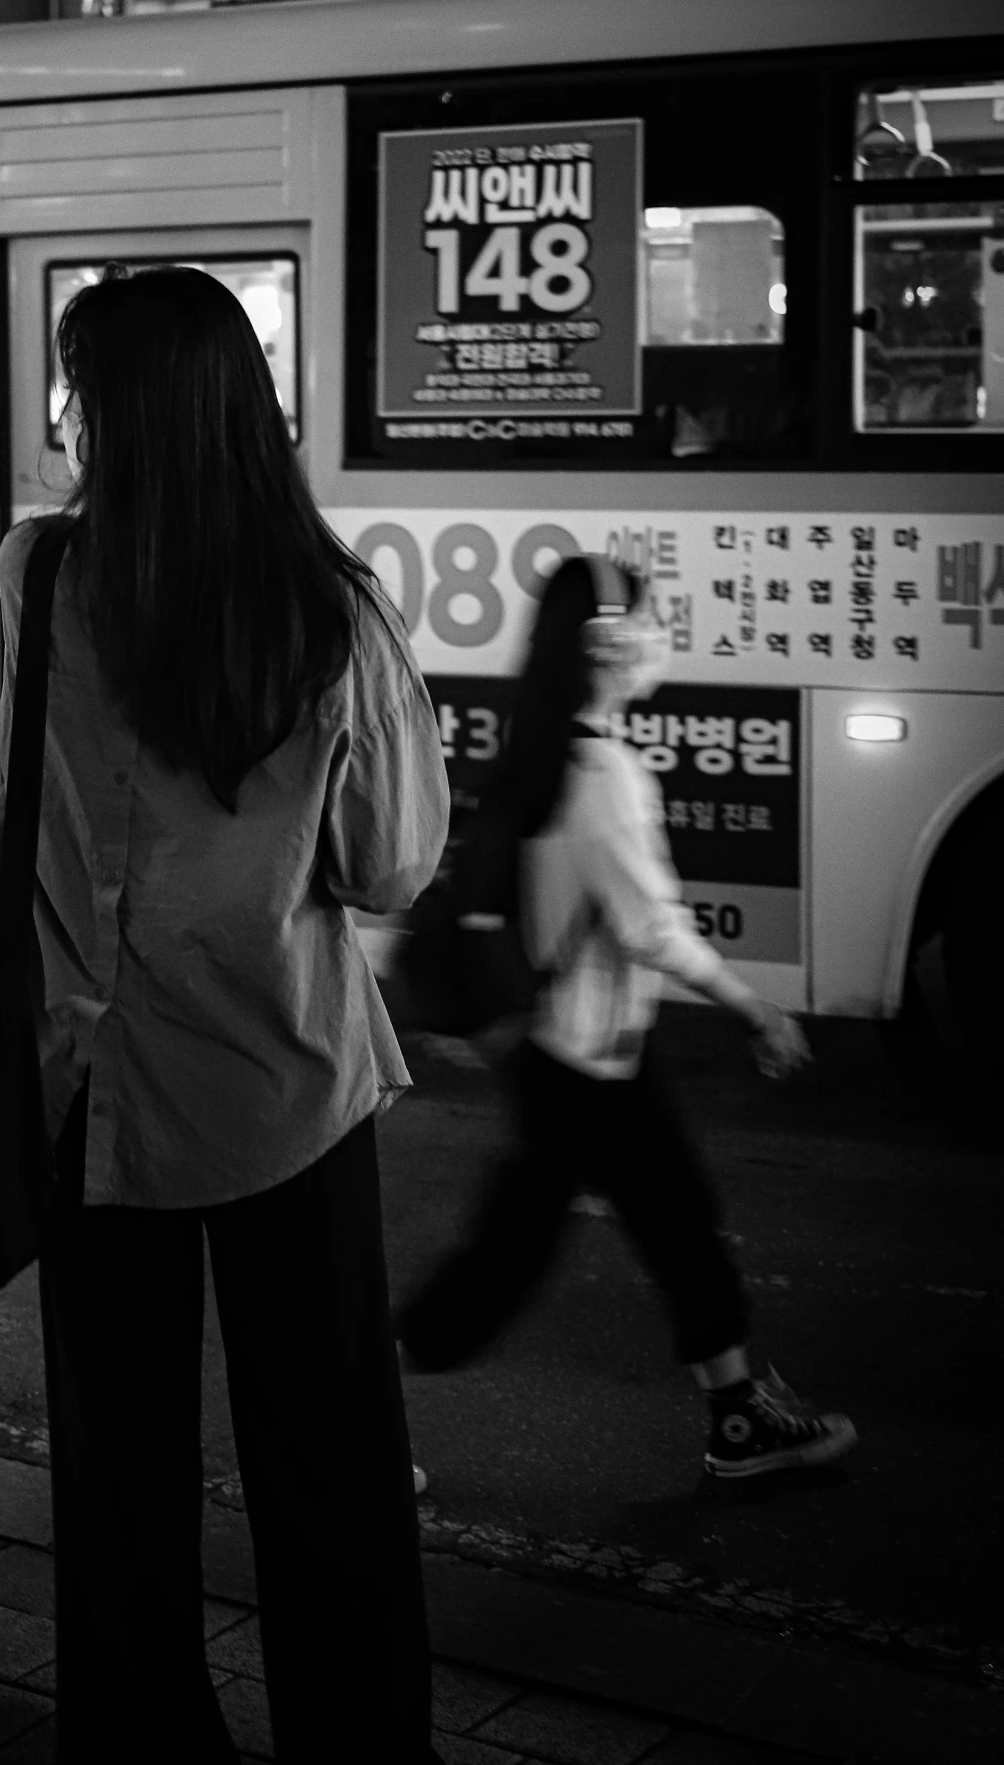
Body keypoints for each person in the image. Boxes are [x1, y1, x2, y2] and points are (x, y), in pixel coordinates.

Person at [0, 266, 450, 1762]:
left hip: (82, 1090)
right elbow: (389, 864)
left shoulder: (37, 572)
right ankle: (356, 1738)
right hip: (286, 1084)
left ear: (103, 410)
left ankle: (141, 1734)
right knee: (331, 1457)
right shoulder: (329, 608)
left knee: (118, 1465)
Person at [396, 555, 857, 1482]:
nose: (662, 638)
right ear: (605, 644)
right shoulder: (602, 774)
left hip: (597, 1051)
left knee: (678, 1217)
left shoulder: (557, 750)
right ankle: (344, 1412)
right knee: (505, 1262)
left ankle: (736, 1414)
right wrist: (754, 1005)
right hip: (574, 1059)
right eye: (652, 621)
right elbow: (652, 930)